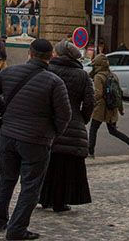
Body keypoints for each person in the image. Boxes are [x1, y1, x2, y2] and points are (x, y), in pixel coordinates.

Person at [0, 37, 71, 240]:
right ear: (50, 57)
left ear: (29, 54)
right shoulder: (54, 82)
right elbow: (64, 115)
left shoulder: (9, 71)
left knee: (5, 179)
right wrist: (54, 132)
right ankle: (17, 229)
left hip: (8, 134)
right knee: (30, 186)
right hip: (37, 139)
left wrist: (4, 108)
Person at [38, 40, 94, 213]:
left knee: (48, 164)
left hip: (49, 123)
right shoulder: (82, 75)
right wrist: (81, 119)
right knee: (67, 166)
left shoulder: (48, 70)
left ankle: (44, 198)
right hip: (74, 122)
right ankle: (61, 201)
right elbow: (90, 102)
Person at [88, 53, 129, 160]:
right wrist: (121, 109)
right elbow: (118, 93)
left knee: (93, 129)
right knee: (113, 131)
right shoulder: (113, 75)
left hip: (100, 109)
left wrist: (91, 104)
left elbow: (98, 94)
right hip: (112, 108)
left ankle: (90, 152)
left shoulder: (98, 77)